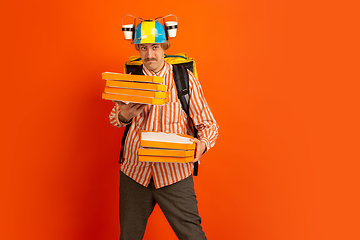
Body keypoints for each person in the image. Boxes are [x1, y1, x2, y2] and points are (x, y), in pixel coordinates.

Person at [109, 19, 219, 240]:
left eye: (155, 47)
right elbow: (114, 118)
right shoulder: (131, 80)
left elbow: (209, 125)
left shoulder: (184, 79)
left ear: (165, 47)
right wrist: (125, 115)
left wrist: (203, 143)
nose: (149, 54)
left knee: (193, 236)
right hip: (135, 174)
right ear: (138, 49)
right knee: (128, 236)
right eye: (144, 47)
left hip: (174, 174)